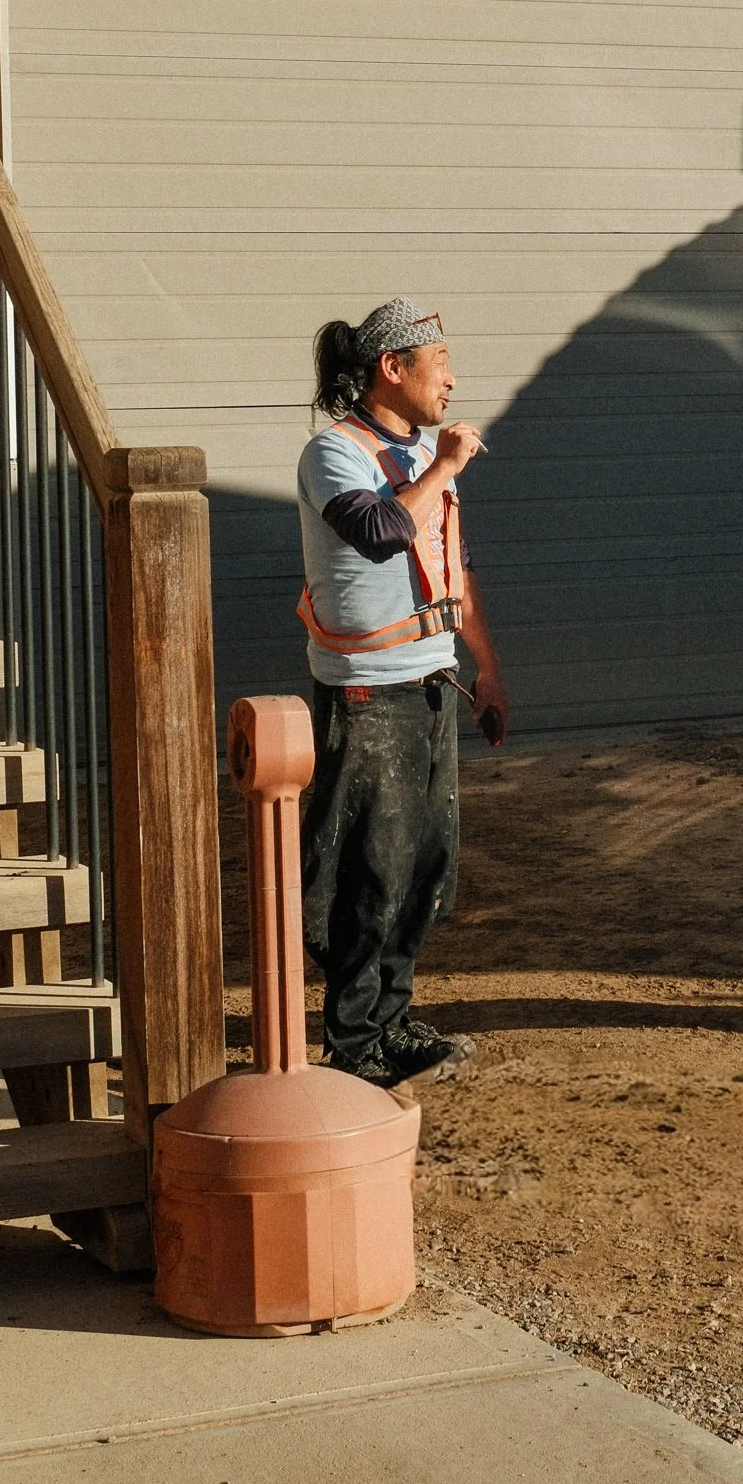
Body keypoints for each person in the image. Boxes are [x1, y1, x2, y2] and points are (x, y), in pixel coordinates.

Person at [296, 298, 509, 1089]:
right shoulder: (334, 454)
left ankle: (391, 1017)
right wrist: (445, 467)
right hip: (366, 695)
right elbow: (380, 534)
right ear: (393, 368)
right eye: (440, 364)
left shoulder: (417, 453)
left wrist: (485, 668)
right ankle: (354, 1040)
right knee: (367, 867)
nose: (451, 382)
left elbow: (453, 568)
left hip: (430, 682)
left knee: (423, 865)